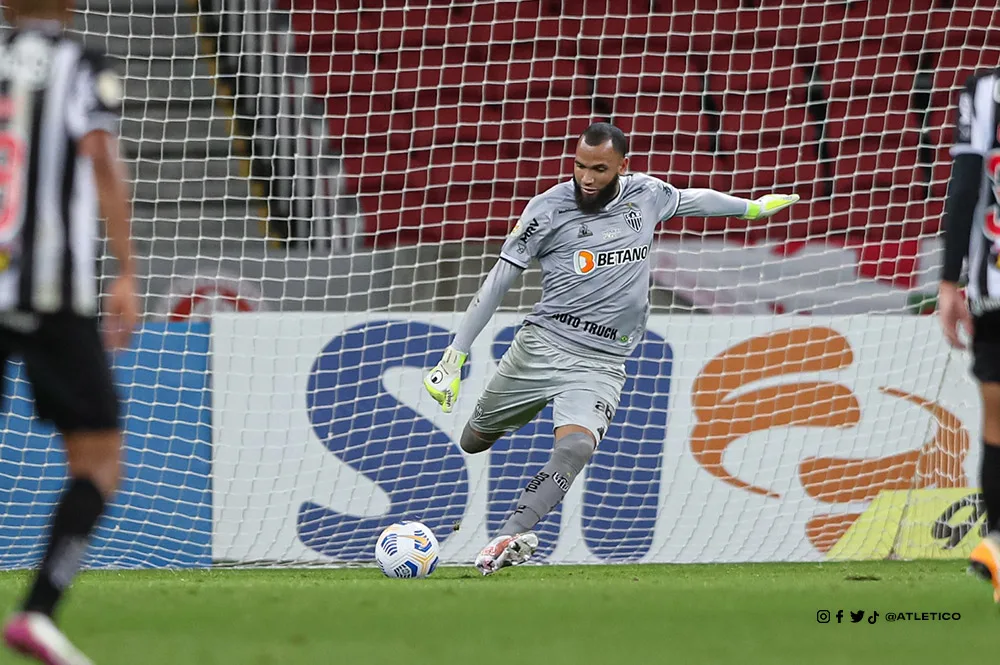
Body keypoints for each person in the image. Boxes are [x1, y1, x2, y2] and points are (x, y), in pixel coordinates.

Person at [424, 122, 798, 575]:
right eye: (580, 165)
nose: (586, 177)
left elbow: (695, 199)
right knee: (473, 441)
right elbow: (499, 281)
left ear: (623, 166)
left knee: (578, 447)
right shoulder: (547, 210)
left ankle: (510, 533)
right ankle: (505, 416)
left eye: (599, 169)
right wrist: (455, 354)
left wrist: (751, 209)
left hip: (601, 361)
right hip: (542, 347)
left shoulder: (647, 195)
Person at [0, 1, 138, 662]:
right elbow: (101, 160)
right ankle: (37, 612)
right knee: (101, 459)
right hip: (56, 294)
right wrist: (128, 272)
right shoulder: (82, 65)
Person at [937, 69, 1000, 603]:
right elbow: (965, 183)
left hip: (993, 284)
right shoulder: (983, 89)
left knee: (999, 416)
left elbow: (966, 182)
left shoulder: (985, 90)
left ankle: (998, 544)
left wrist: (948, 280)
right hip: (993, 288)